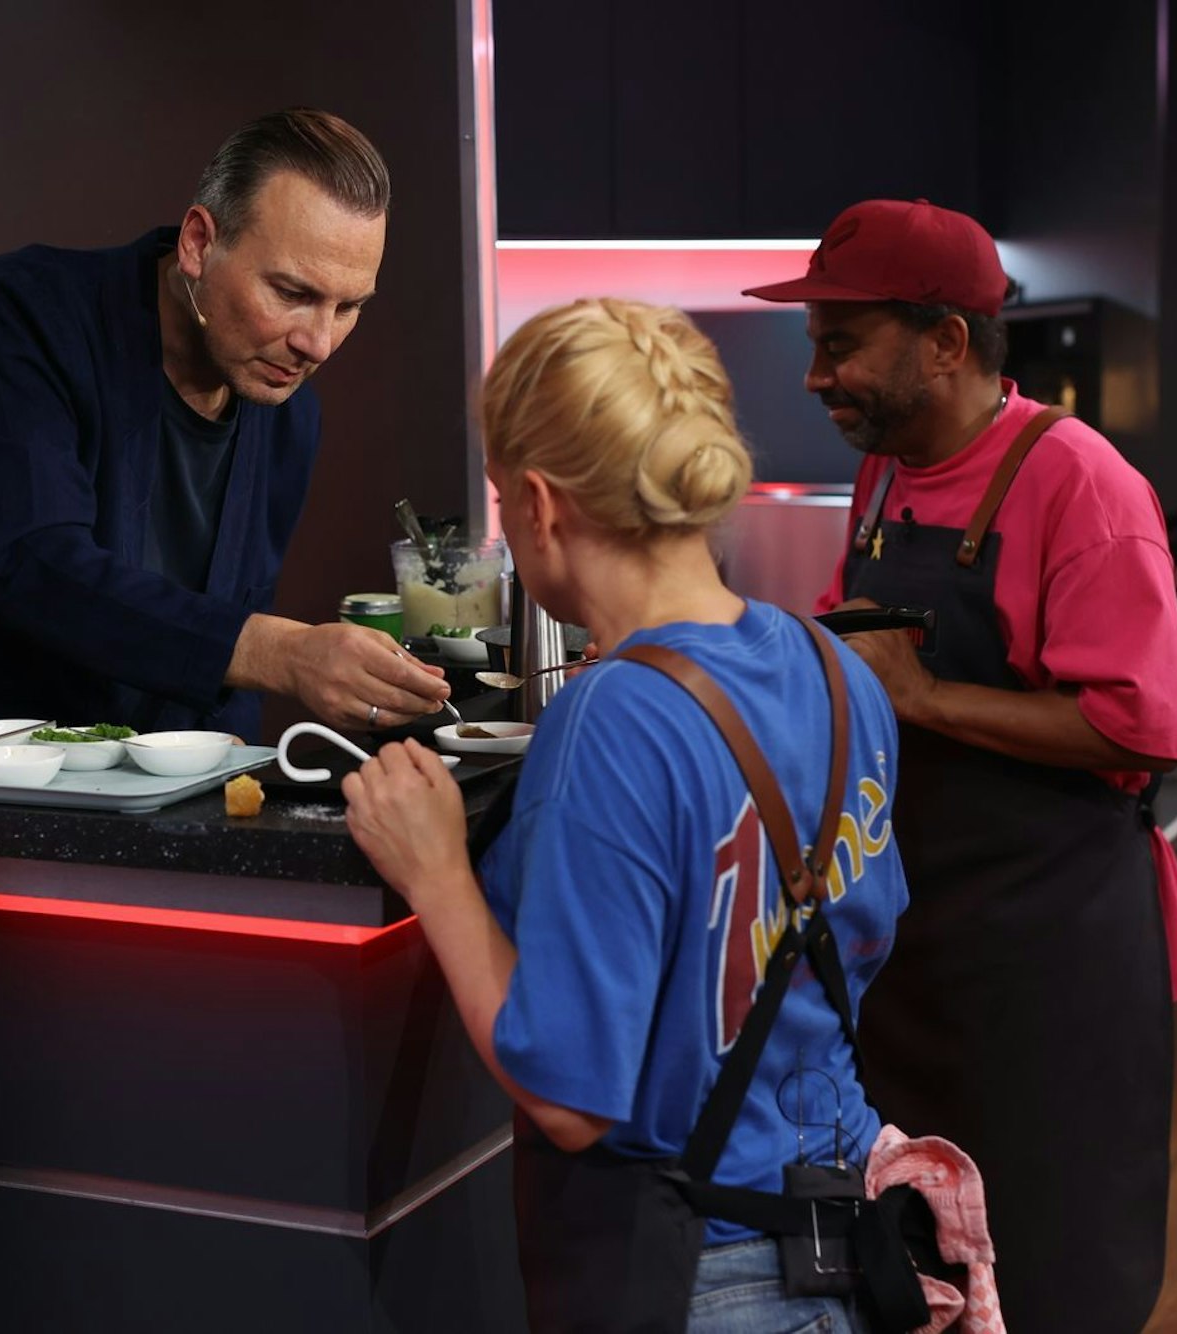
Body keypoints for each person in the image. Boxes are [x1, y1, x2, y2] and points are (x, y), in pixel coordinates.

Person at [0, 108, 448, 1332]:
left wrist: (248, 797)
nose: (316, 340)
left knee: (67, 1201)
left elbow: (199, 660)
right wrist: (280, 651)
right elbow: (34, 565)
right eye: (292, 292)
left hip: (74, 855)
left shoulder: (285, 410)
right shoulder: (18, 320)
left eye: (348, 307)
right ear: (199, 242)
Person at [341, 298, 909, 1331]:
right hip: (841, 1248)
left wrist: (437, 873)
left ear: (539, 504)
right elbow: (857, 935)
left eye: (502, 500)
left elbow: (570, 1100)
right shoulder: (837, 671)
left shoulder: (609, 719)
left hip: (699, 1277)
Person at [744, 197, 1177, 1334]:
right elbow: (853, 641)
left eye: (841, 343)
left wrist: (924, 698)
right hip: (917, 946)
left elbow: (1137, 726)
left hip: (1046, 966)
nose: (815, 375)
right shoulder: (885, 472)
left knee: (1049, 1266)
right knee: (913, 1259)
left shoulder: (1083, 484)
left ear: (946, 341)